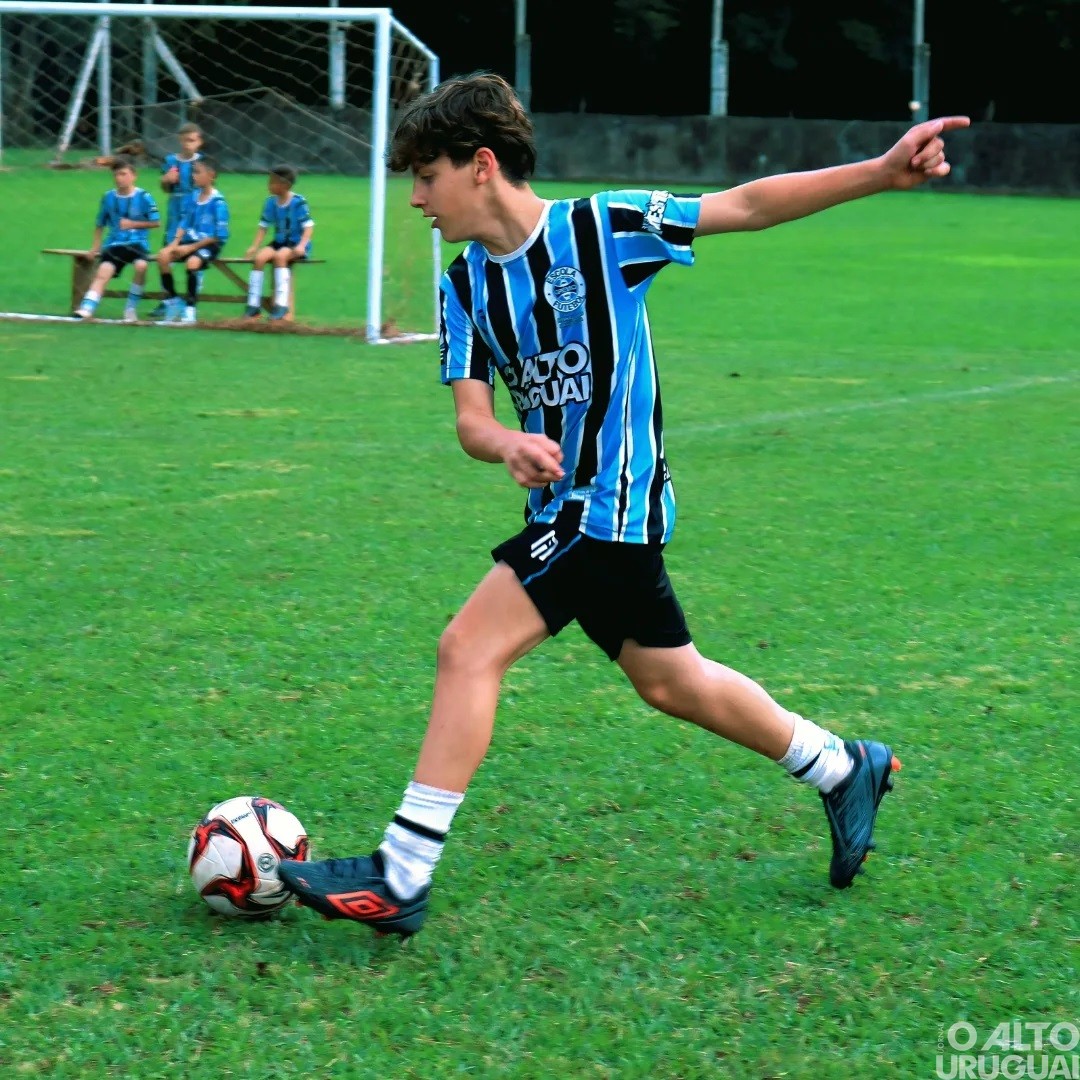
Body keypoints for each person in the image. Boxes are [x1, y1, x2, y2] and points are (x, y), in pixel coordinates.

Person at [278, 72, 970, 938]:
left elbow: (745, 205)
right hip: (559, 517)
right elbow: (470, 421)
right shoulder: (463, 286)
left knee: (467, 649)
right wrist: (507, 443)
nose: (415, 198)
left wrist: (880, 171)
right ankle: (841, 767)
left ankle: (401, 873)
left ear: (480, 165)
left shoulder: (603, 227)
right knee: (671, 681)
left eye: (426, 176)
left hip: (612, 506)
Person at [75, 155, 160, 322]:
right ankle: (87, 308)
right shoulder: (108, 197)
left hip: (137, 243)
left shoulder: (144, 197)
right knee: (104, 270)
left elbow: (156, 222)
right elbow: (100, 223)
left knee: (141, 265)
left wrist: (133, 224)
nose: (119, 178)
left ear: (134, 175)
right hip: (114, 243)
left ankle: (130, 308)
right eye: (116, 175)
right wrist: (95, 247)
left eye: (123, 174)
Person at [155, 156, 230, 324]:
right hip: (190, 241)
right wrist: (174, 243)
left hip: (210, 244)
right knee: (163, 256)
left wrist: (190, 248)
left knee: (192, 263)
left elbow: (218, 235)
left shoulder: (218, 203)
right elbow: (184, 222)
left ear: (211, 175)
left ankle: (190, 309)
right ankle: (173, 301)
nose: (193, 176)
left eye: (197, 172)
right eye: (193, 172)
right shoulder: (193, 196)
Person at [243, 164, 315, 320]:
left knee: (280, 257)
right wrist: (254, 246)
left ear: (284, 185)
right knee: (260, 258)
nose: (268, 185)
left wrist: (302, 245)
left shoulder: (298, 202)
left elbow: (309, 226)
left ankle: (281, 305)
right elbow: (263, 226)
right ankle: (253, 305)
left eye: (272, 182)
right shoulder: (270, 202)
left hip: (295, 243)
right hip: (279, 241)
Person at [149, 122, 205, 318]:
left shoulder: (203, 162)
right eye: (185, 140)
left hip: (196, 211)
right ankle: (167, 299)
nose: (188, 144)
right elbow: (165, 189)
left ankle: (192, 299)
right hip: (175, 211)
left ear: (199, 142)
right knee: (166, 253)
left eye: (192, 140)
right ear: (179, 141)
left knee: (195, 255)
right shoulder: (171, 161)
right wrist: (165, 180)